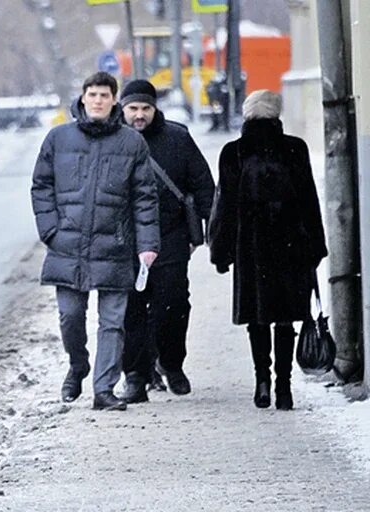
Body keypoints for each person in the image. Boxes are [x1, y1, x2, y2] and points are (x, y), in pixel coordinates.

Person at [31, 72, 160, 411]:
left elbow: (145, 198)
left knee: (113, 323)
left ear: (114, 100)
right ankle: (78, 365)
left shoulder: (132, 143)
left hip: (115, 246)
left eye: (105, 95)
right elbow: (41, 187)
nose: (99, 100)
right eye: (93, 94)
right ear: (83, 98)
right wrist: (50, 231)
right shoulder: (58, 138)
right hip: (67, 245)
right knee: (70, 317)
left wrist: (147, 244)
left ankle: (104, 389)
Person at [208, 90, 327, 411]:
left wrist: (220, 252)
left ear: (247, 115)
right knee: (286, 321)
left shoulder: (234, 152)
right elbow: (308, 202)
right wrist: (316, 245)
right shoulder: (294, 149)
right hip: (292, 248)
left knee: (257, 320)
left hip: (251, 250)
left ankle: (262, 381)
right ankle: (284, 388)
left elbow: (225, 206)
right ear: (276, 115)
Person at [118, 80, 215, 403]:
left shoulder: (177, 138)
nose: (139, 115)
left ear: (155, 108)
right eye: (133, 108)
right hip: (125, 237)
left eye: (145, 108)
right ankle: (134, 375)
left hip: (169, 234)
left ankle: (171, 364)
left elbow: (202, 184)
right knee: (130, 309)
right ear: (122, 108)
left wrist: (210, 229)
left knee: (173, 304)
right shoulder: (112, 141)